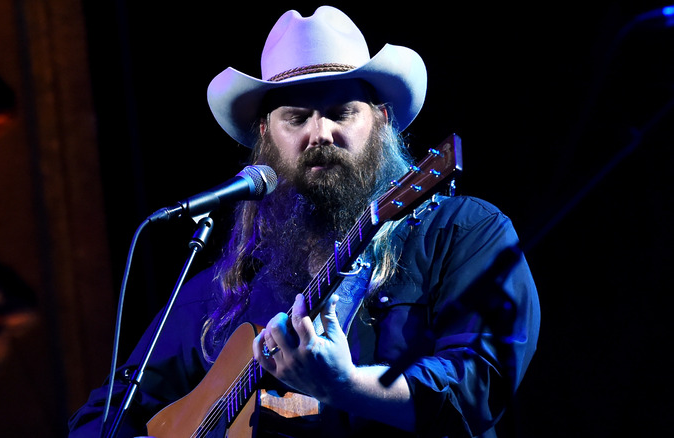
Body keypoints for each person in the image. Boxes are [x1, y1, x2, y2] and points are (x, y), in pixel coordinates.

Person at [68, 5, 540, 437]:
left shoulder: (460, 232)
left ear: (381, 119)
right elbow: (103, 417)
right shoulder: (232, 286)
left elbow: (481, 381)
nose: (321, 133)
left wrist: (348, 385)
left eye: (342, 113)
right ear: (265, 135)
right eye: (296, 117)